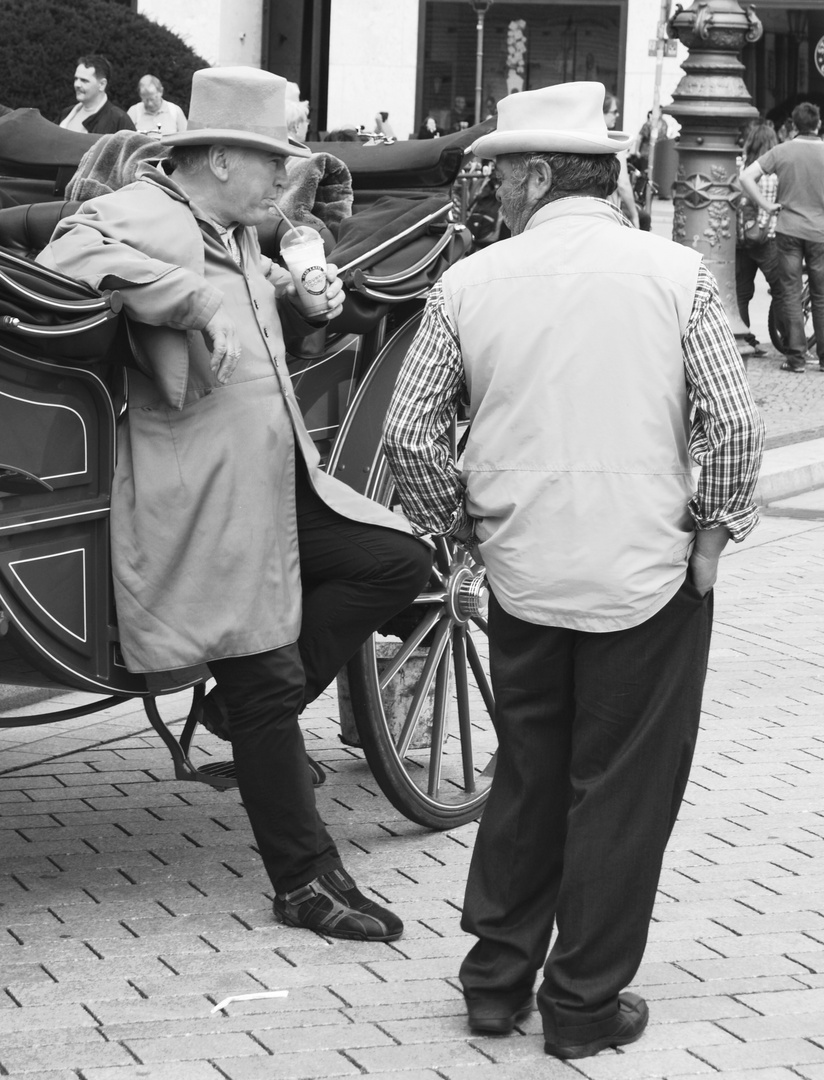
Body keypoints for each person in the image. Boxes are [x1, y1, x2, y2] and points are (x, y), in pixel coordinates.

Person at [383, 81, 763, 1059]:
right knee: (621, 786)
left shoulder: (467, 283)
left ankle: (494, 980)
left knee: (529, 770)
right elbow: (730, 423)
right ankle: (584, 1002)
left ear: (541, 173)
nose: (496, 194)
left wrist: (458, 532)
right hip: (647, 569)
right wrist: (714, 531)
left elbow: (408, 433)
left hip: (522, 572)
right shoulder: (674, 274)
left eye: (503, 176)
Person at [38, 67, 431, 942]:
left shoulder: (235, 228)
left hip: (280, 480)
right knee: (269, 674)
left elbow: (241, 338)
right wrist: (184, 294)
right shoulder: (144, 213)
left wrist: (299, 300)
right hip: (207, 501)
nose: (286, 180)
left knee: (397, 563)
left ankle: (235, 716)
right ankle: (305, 879)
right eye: (272, 162)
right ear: (218, 158)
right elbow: (65, 257)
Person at [739, 101, 824, 373]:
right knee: (821, 296)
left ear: (793, 126)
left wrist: (766, 205)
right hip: (820, 232)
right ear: (818, 124)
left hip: (788, 230)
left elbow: (746, 177)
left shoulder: (782, 150)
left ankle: (796, 358)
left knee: (789, 293)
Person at [735, 121, 782, 356]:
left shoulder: (738, 166)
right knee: (781, 290)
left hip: (742, 238)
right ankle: (790, 342)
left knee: (741, 293)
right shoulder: (775, 172)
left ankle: (743, 338)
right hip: (768, 237)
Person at [58, 55, 135, 134]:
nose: (77, 84)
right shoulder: (66, 114)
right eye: (76, 79)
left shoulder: (119, 120)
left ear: (102, 84)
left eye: (84, 80)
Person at [603, 93, 640, 228]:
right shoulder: (616, 144)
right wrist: (634, 215)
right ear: (602, 113)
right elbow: (623, 184)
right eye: (614, 112)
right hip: (608, 215)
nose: (617, 115)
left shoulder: (580, 140)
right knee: (644, 218)